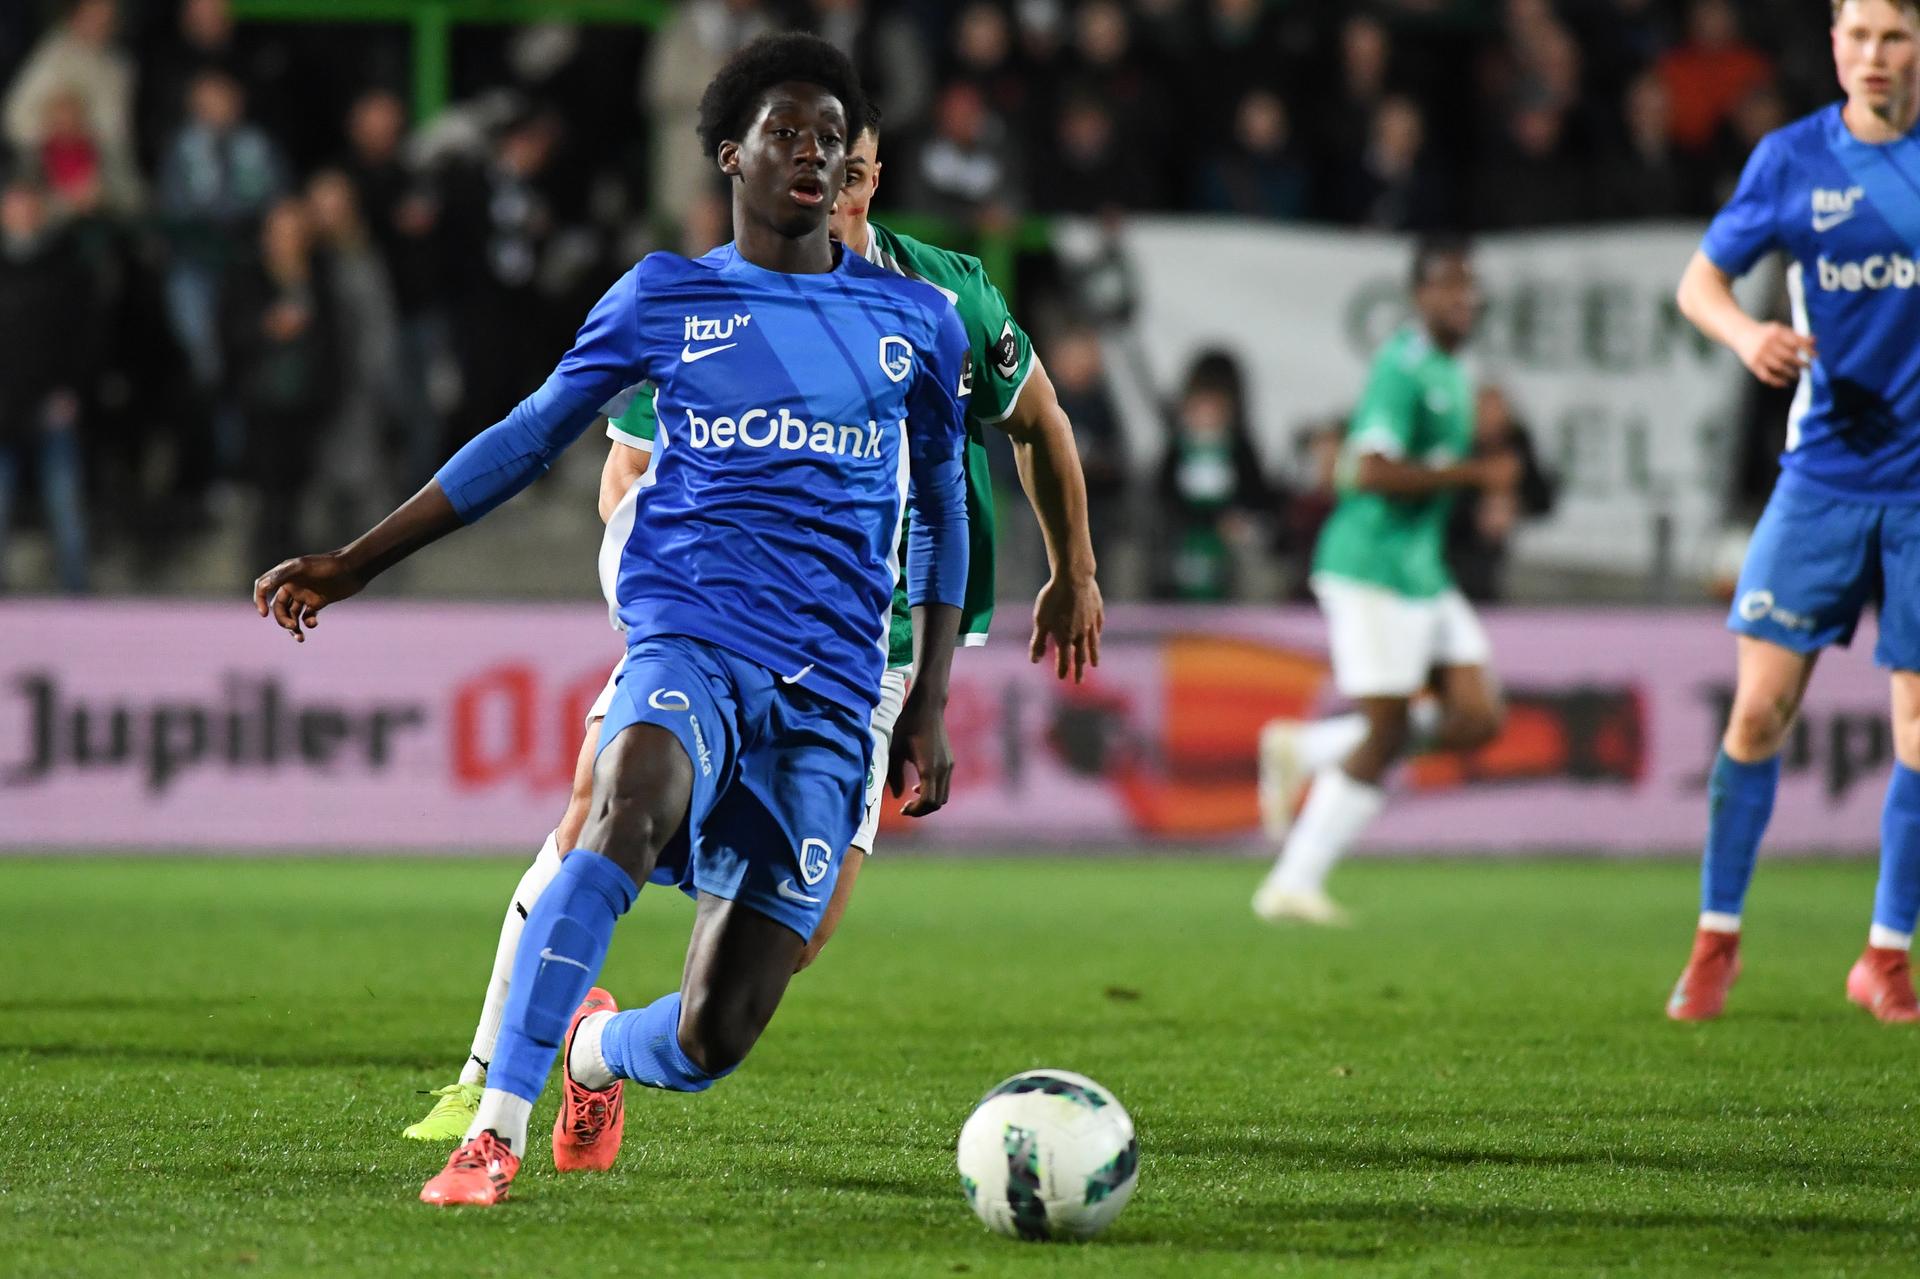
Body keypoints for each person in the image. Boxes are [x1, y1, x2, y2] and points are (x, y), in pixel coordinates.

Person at [256, 34, 972, 1207]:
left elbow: (943, 511)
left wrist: (930, 698)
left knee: (713, 1035)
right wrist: (358, 559)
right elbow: (529, 435)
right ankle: (492, 1130)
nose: (813, 153)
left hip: (835, 694)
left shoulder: (916, 324)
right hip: (693, 639)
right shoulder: (666, 298)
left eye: (832, 139)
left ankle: (594, 1051)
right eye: (787, 133)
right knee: (622, 808)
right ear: (729, 154)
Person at [400, 102, 1107, 1147]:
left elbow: (1039, 422)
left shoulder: (946, 297)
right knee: (599, 810)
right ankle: (480, 1079)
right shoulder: (724, 299)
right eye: (826, 163)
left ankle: (594, 1054)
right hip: (723, 625)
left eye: (859, 170)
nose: (842, 188)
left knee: (797, 941)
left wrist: (1074, 568)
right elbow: (623, 470)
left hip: (879, 662)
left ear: (877, 173)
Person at [1667, 0, 1920, 1023]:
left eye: (1894, 36)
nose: (1873, 56)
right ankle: (1717, 937)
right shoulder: (1793, 160)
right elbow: (1698, 281)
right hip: (1820, 481)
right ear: (1832, 44)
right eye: (1857, 36)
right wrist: (1744, 336)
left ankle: (1886, 955)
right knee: (1760, 712)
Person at [1250, 237, 1515, 925]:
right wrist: (1472, 476)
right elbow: (1365, 469)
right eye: (1450, 288)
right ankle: (1291, 882)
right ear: (1419, 295)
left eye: (1470, 288)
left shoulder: (1454, 369)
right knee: (1387, 730)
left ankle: (1305, 748)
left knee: (1477, 715)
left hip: (1420, 571)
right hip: (1371, 569)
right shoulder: (1403, 369)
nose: (1464, 300)